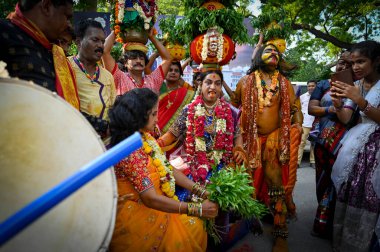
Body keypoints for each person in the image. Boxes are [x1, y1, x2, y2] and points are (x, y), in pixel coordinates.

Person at [108, 88, 218, 251]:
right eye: (153, 114)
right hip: (137, 216)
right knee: (190, 229)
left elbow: (167, 168)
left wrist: (200, 191)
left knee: (194, 227)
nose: (157, 118)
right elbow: (150, 198)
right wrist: (196, 209)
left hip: (153, 204)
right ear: (139, 116)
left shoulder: (145, 136)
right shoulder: (129, 149)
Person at [231, 42, 303, 252]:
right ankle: (244, 221)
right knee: (245, 180)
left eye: (276, 52)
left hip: (274, 138)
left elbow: (294, 108)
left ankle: (280, 231)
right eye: (268, 50)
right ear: (258, 57)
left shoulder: (284, 82)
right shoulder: (245, 81)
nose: (273, 54)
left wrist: (297, 123)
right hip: (249, 138)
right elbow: (234, 104)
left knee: (275, 181)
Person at [330, 40, 380, 251]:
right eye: (353, 63)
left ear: (377, 61)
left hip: (376, 155)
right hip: (356, 152)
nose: (356, 67)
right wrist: (338, 105)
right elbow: (346, 118)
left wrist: (360, 101)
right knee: (351, 197)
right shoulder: (356, 85)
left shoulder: (360, 90)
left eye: (362, 61)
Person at [0, 0, 79, 109]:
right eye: (67, 17)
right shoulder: (4, 33)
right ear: (47, 7)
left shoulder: (53, 51)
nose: (69, 25)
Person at [308, 51, 352, 239]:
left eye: (347, 64)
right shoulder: (324, 84)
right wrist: (331, 109)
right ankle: (323, 220)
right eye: (340, 62)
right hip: (324, 141)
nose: (342, 67)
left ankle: (334, 223)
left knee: (340, 183)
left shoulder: (357, 86)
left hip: (348, 142)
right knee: (323, 181)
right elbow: (311, 108)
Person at [68, 19, 116, 145]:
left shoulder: (107, 76)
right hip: (73, 141)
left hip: (103, 146)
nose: (100, 45)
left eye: (102, 41)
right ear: (79, 42)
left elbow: (113, 111)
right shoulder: (65, 67)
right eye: (95, 40)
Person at [102, 30, 172, 95]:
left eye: (141, 58)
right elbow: (104, 51)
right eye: (134, 58)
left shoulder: (153, 80)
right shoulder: (119, 78)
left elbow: (168, 59)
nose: (138, 61)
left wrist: (151, 37)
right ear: (125, 63)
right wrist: (116, 30)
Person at [158, 62, 195, 135]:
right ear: (164, 72)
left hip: (178, 137)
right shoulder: (158, 88)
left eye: (176, 71)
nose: (173, 72)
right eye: (170, 70)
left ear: (180, 75)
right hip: (156, 132)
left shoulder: (188, 94)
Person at [298, 80, 316, 168]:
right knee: (301, 142)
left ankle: (312, 161)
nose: (311, 87)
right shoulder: (302, 97)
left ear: (316, 86)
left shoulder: (318, 96)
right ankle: (297, 162)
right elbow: (299, 110)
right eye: (309, 86)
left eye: (312, 86)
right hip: (305, 123)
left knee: (313, 143)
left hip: (315, 123)